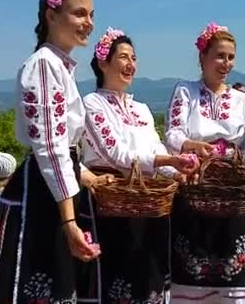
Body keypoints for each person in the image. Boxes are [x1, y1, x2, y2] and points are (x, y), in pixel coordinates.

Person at [0, 0, 111, 303]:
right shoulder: (43, 66)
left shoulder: (60, 67)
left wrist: (86, 176)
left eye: (91, 15)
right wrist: (69, 220)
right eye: (79, 13)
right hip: (42, 196)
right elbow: (51, 147)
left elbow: (64, 149)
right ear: (52, 15)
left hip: (55, 190)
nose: (88, 22)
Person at [78, 27, 196, 303]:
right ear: (103, 62)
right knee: (116, 276)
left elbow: (155, 147)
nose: (131, 64)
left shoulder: (141, 109)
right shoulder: (92, 104)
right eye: (123, 57)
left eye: (134, 57)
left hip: (147, 201)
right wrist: (168, 160)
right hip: (110, 202)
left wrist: (178, 173)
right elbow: (115, 154)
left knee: (148, 277)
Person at [165, 22, 245, 303]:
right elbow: (173, 133)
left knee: (233, 271)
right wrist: (192, 146)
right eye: (220, 56)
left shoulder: (242, 100)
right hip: (197, 181)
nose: (226, 63)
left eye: (231, 57)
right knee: (192, 264)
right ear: (203, 58)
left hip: (232, 189)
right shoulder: (186, 92)